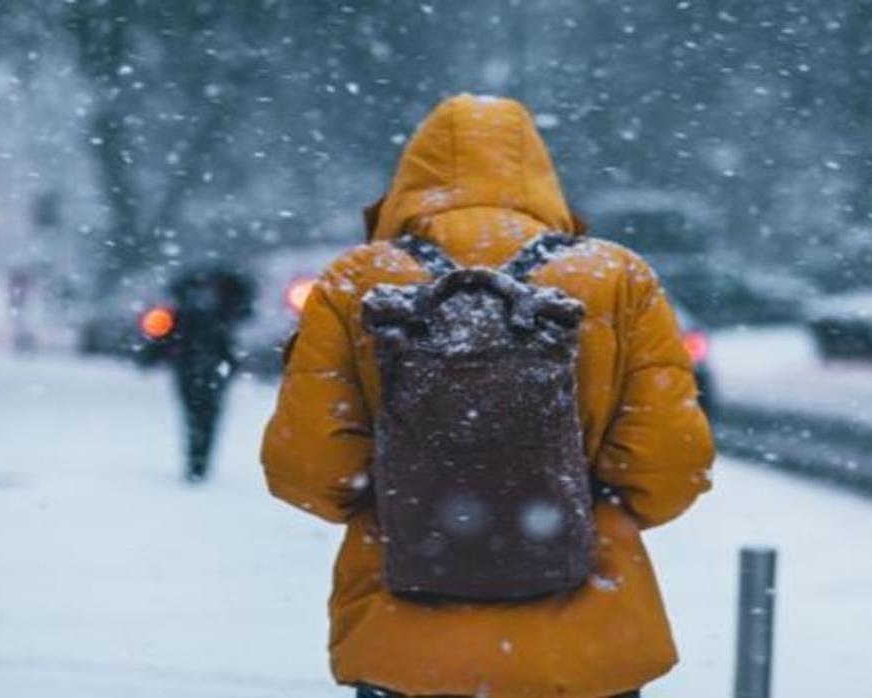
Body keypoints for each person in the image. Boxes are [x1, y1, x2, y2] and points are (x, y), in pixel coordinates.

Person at [261, 95, 714, 697]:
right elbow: (671, 467)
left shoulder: (356, 282)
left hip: (404, 646)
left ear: (412, 178)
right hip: (587, 646)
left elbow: (307, 471)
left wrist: (414, 499)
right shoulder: (616, 278)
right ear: (539, 174)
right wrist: (569, 508)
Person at [142, 264, 254, 482]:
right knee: (207, 415)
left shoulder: (188, 307)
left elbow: (165, 336)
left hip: (192, 366)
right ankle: (199, 460)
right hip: (210, 367)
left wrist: (151, 356)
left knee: (195, 414)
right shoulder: (222, 308)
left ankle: (196, 460)